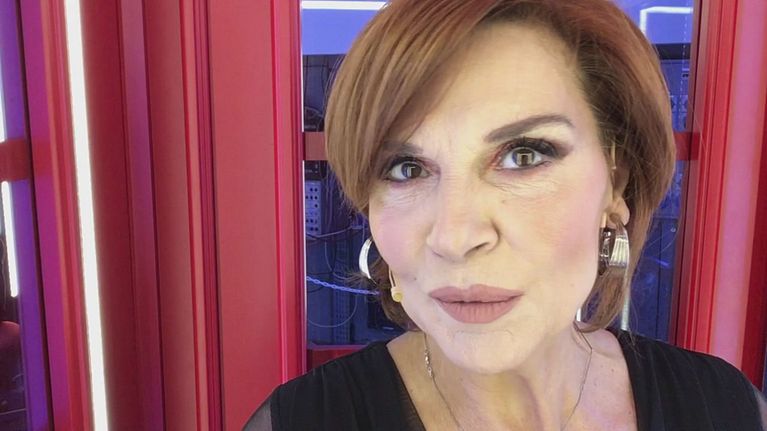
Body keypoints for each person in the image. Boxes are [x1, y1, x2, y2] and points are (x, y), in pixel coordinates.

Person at [245, 0, 767, 429]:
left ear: (615, 185)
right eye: (406, 168)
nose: (455, 236)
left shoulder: (725, 407)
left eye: (524, 155)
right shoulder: (302, 422)